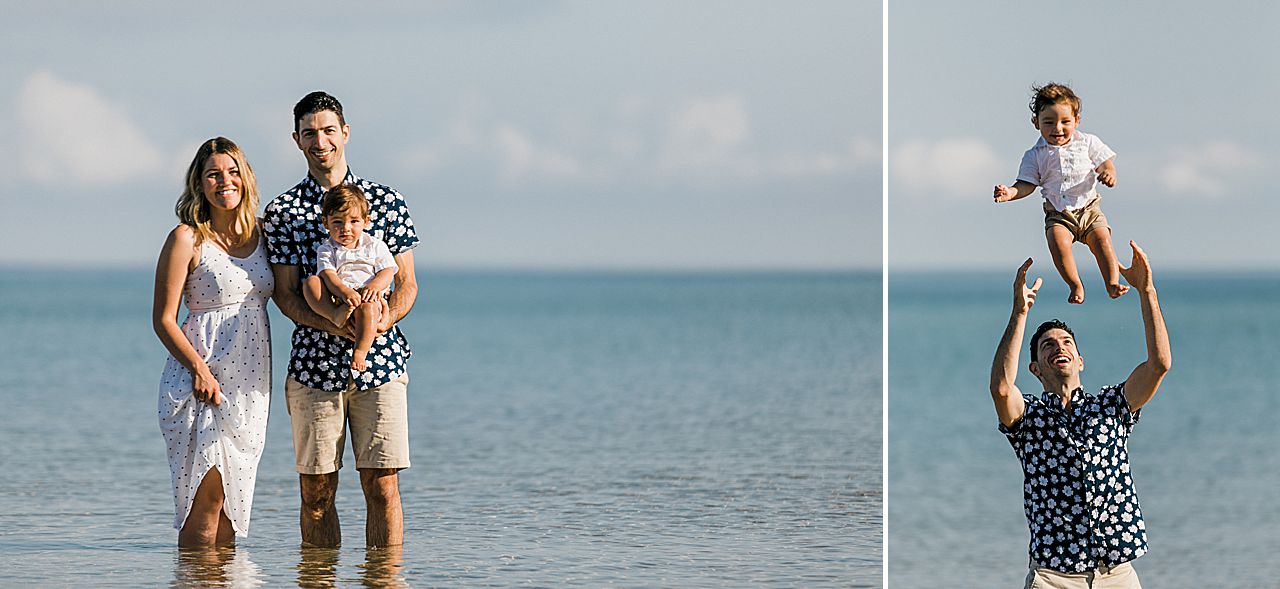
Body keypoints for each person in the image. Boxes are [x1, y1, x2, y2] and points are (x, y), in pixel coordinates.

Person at [264, 91, 419, 548]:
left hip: (383, 365)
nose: (321, 141)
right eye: (310, 133)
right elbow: (287, 295)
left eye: (329, 130)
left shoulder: (387, 200)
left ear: (345, 133)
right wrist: (337, 325)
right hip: (313, 369)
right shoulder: (283, 212)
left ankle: (384, 580)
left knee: (383, 486)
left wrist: (378, 322)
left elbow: (407, 283)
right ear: (297, 140)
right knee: (316, 493)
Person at [989, 242, 1171, 588]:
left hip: (1116, 573)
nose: (1059, 347)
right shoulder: (1029, 419)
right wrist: (1019, 314)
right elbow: (1001, 388)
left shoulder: (1112, 406)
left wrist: (1147, 290)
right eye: (1048, 346)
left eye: (1067, 343)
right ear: (1036, 369)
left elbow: (1159, 365)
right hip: (1053, 576)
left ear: (1081, 361)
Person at [154, 137, 274, 547]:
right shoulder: (187, 237)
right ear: (199, 184)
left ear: (245, 177)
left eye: (232, 171)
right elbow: (164, 320)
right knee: (205, 503)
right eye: (213, 174)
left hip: (250, 387)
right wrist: (199, 371)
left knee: (231, 509)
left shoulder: (263, 234)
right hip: (200, 383)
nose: (225, 181)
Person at [993, 82, 1128, 304]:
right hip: (1058, 213)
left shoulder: (1088, 142)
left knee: (1102, 240)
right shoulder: (1034, 155)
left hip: (1089, 208)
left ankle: (1112, 282)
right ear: (1035, 123)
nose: (1058, 128)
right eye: (1049, 122)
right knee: (1057, 243)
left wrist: (1109, 173)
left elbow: (1106, 162)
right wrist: (1009, 192)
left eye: (1065, 122)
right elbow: (1026, 184)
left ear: (1077, 121)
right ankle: (1075, 284)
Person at [302, 184, 398, 372]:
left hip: (369, 297)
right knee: (311, 283)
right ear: (325, 222)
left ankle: (360, 351)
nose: (346, 228)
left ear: (366, 221)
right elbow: (328, 275)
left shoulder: (375, 245)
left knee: (368, 309)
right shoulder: (327, 248)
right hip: (339, 298)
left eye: (354, 221)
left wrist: (375, 286)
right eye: (337, 222)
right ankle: (334, 316)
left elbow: (388, 270)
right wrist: (344, 292)